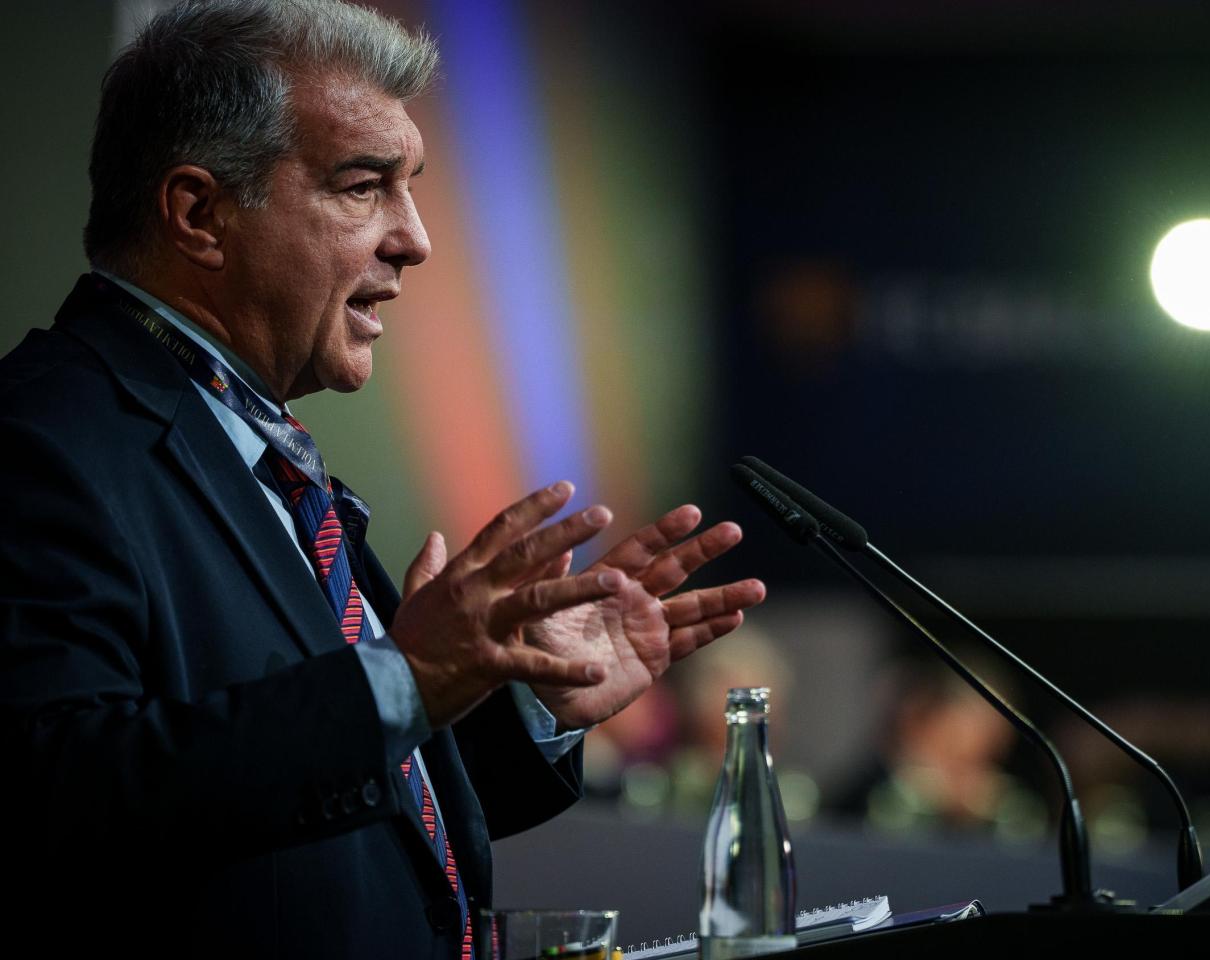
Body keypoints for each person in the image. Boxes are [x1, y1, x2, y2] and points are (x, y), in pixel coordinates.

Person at [0, 1, 764, 956]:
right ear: (200, 214)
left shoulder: (256, 447)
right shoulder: (39, 443)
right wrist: (405, 681)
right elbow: (61, 797)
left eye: (411, 188)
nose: (415, 239)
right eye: (363, 187)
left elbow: (346, 817)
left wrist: (521, 697)